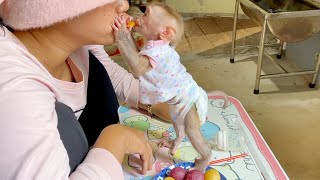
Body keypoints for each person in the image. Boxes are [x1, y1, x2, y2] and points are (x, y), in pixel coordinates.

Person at [0, 0, 170, 179]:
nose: (123, 5)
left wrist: (156, 103)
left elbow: (107, 73)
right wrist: (116, 141)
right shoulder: (13, 85)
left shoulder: (74, 42)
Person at [112, 1, 229, 172]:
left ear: (165, 32)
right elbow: (137, 59)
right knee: (177, 122)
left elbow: (137, 68)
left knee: (191, 131)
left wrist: (122, 36)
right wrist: (127, 34)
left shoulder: (159, 52)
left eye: (146, 15)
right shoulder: (155, 46)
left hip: (189, 99)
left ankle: (205, 155)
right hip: (181, 97)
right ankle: (175, 142)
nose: (139, 18)